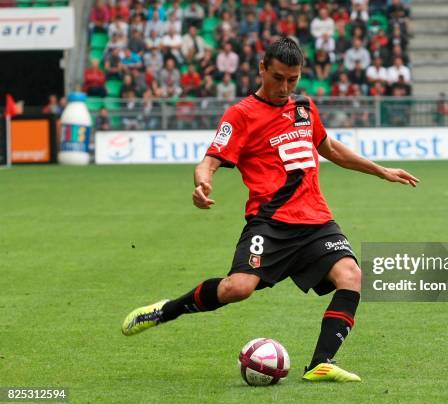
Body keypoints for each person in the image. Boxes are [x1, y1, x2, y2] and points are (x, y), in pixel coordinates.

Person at [121, 37, 420, 382]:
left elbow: (332, 149)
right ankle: (165, 311)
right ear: (262, 68)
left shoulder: (305, 108)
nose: (284, 87)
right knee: (238, 289)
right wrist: (202, 184)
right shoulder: (242, 114)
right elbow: (210, 161)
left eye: (292, 80)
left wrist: (381, 171)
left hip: (316, 222)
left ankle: (320, 364)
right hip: (270, 224)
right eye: (278, 77)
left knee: (351, 275)